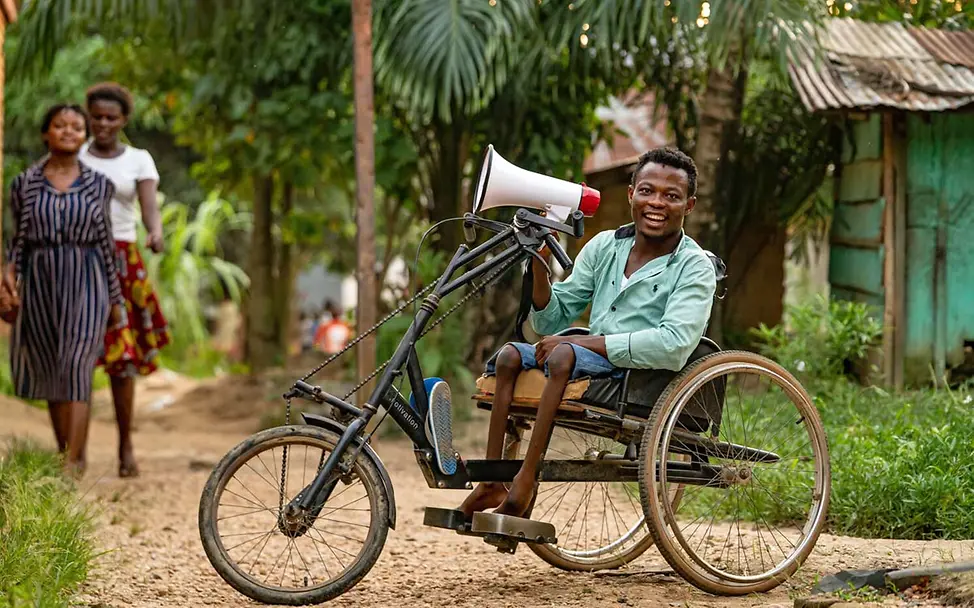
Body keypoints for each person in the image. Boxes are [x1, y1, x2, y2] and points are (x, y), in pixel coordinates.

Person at [458, 147, 718, 518]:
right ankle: (491, 482)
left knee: (563, 353)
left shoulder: (693, 266)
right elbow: (551, 320)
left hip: (640, 375)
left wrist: (579, 342)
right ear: (631, 194)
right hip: (590, 359)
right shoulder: (605, 246)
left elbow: (673, 345)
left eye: (671, 196)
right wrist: (539, 256)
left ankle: (525, 483)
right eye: (647, 191)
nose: (656, 203)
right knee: (510, 355)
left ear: (688, 206)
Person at [2, 104, 124, 476]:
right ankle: (65, 454)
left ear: (84, 136)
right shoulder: (25, 183)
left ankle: (73, 464)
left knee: (76, 366)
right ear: (46, 133)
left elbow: (106, 242)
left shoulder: (99, 184)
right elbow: (16, 240)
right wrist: (9, 278)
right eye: (59, 125)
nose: (68, 131)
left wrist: (115, 298)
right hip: (40, 279)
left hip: (87, 278)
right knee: (51, 367)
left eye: (75, 126)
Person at [80, 82, 171, 478]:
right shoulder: (75, 155)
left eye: (111, 118)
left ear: (123, 120)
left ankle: (125, 446)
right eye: (96, 117)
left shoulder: (139, 159)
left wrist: (155, 232)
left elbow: (149, 208)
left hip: (121, 259)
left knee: (122, 360)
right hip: (78, 258)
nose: (103, 123)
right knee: (78, 355)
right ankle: (75, 452)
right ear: (88, 117)